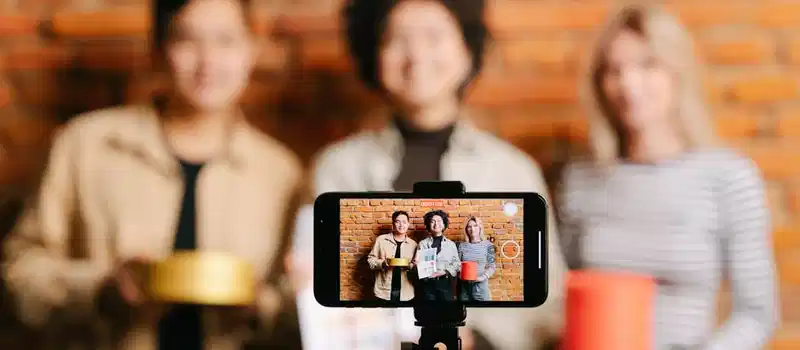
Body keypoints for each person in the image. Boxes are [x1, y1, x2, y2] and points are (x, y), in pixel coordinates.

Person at [2, 0, 305, 349]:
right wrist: (100, 289)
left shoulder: (280, 173)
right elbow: (18, 273)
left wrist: (261, 305)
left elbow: (298, 311)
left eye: (226, 41)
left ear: (251, 50)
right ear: (159, 49)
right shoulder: (86, 146)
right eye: (188, 40)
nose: (208, 61)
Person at [294, 0, 568, 348]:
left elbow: (549, 301)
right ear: (374, 55)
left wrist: (478, 339)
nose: (417, 54)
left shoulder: (512, 171)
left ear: (467, 51)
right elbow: (311, 289)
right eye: (398, 39)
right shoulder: (337, 168)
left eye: (434, 37)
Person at [557, 4, 779, 349]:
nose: (628, 84)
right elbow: (560, 297)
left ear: (677, 73)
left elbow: (756, 314)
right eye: (614, 70)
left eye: (648, 65)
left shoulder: (729, 177)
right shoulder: (580, 179)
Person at [366, 210, 418, 302]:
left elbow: (416, 267)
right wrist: (382, 264)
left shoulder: (413, 244)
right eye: (398, 222)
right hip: (384, 290)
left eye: (404, 222)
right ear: (393, 224)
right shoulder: (381, 240)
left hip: (406, 291)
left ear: (408, 224)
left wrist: (411, 266)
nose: (401, 225)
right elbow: (370, 261)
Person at [415, 210, 460, 301]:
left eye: (439, 221)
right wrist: (416, 264)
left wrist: (444, 271)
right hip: (427, 283)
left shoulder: (451, 244)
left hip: (445, 283)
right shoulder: (422, 244)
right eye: (432, 221)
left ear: (444, 224)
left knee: (446, 309)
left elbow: (457, 264)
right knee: (429, 309)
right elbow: (418, 263)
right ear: (428, 225)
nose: (436, 224)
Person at [458, 216, 495, 302]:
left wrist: (481, 278)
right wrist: (460, 274)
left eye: (475, 226)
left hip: (481, 289)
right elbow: (458, 265)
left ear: (480, 228)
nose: (472, 229)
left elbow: (492, 267)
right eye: (469, 226)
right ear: (466, 229)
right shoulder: (462, 246)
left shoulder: (488, 245)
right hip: (465, 290)